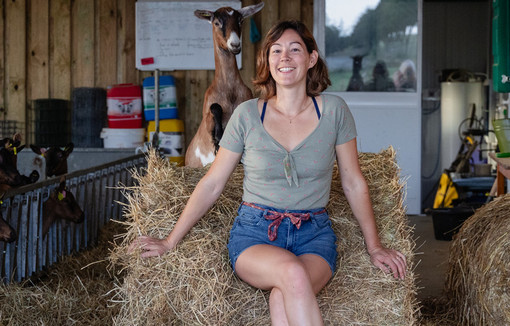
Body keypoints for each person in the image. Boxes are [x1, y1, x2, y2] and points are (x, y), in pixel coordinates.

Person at [129, 20, 407, 325]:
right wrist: (169, 241)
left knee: (282, 295)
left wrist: (375, 246)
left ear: (312, 58)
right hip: (255, 234)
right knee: (292, 274)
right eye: (276, 51)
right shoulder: (247, 115)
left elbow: (353, 183)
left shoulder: (334, 111)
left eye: (294, 49)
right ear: (267, 61)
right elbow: (213, 183)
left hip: (313, 236)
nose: (284, 57)